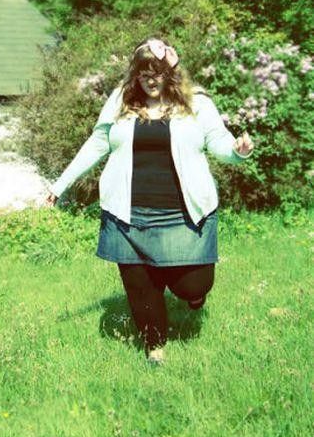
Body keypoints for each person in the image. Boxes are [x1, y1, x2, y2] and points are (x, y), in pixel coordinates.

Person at [46, 36, 254, 364]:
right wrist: (59, 186)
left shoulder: (196, 102)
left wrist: (237, 150)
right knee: (140, 286)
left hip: (184, 213)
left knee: (192, 285)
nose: (150, 80)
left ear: (170, 72)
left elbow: (217, 140)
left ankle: (191, 294)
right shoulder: (121, 101)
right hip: (128, 212)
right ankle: (154, 346)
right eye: (143, 74)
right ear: (135, 74)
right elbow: (97, 143)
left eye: (157, 73)